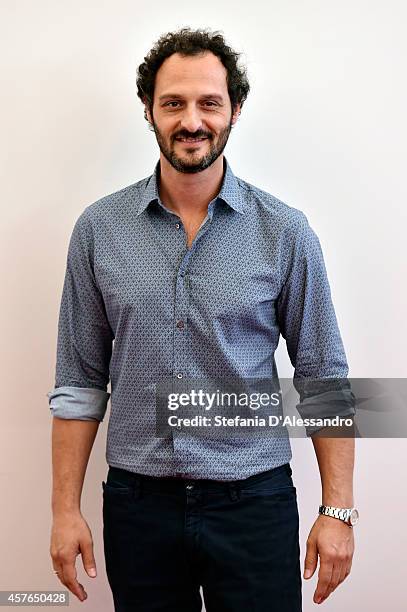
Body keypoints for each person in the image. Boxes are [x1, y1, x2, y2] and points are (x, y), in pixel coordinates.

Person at [47, 27, 357, 611]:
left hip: (254, 505)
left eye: (209, 103)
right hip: (139, 510)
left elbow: (324, 380)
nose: (192, 121)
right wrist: (65, 510)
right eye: (173, 103)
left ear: (234, 111)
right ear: (149, 111)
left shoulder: (285, 232)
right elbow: (78, 385)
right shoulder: (99, 230)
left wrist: (337, 510)